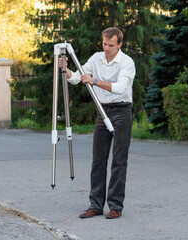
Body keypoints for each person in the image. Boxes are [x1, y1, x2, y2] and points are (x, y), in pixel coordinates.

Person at [59, 27, 136, 219]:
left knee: (119, 162)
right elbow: (77, 78)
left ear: (119, 44)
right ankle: (95, 205)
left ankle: (115, 206)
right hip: (102, 112)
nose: (107, 48)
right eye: (104, 44)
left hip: (122, 112)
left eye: (111, 45)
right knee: (98, 160)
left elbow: (120, 88)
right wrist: (66, 69)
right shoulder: (96, 58)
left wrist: (95, 81)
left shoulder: (127, 62)